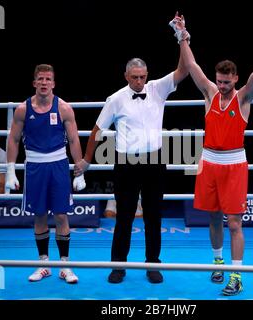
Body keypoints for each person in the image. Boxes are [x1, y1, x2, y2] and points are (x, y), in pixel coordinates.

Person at [170, 13, 253, 295]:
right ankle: (217, 263)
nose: (223, 86)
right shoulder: (210, 93)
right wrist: (182, 34)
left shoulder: (243, 98)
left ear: (235, 79)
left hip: (234, 164)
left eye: (227, 82)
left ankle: (237, 275)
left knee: (235, 222)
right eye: (220, 81)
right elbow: (191, 65)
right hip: (209, 163)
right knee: (213, 217)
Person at [77, 30, 189, 284]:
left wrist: (182, 38)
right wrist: (86, 160)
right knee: (124, 216)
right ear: (126, 76)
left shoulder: (158, 89)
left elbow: (184, 70)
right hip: (126, 163)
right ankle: (118, 265)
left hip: (154, 161)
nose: (139, 81)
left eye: (142, 77)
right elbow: (96, 131)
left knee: (153, 215)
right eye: (134, 77)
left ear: (146, 75)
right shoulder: (115, 99)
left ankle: (153, 264)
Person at [6, 64, 86, 284]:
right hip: (34, 167)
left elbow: (74, 140)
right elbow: (13, 139)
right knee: (39, 215)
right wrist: (10, 169)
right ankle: (43, 264)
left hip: (58, 165)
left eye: (48, 79)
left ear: (53, 83)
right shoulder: (23, 109)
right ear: (34, 83)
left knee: (61, 215)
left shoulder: (64, 108)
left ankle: (65, 265)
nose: (44, 82)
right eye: (40, 79)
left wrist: (78, 172)